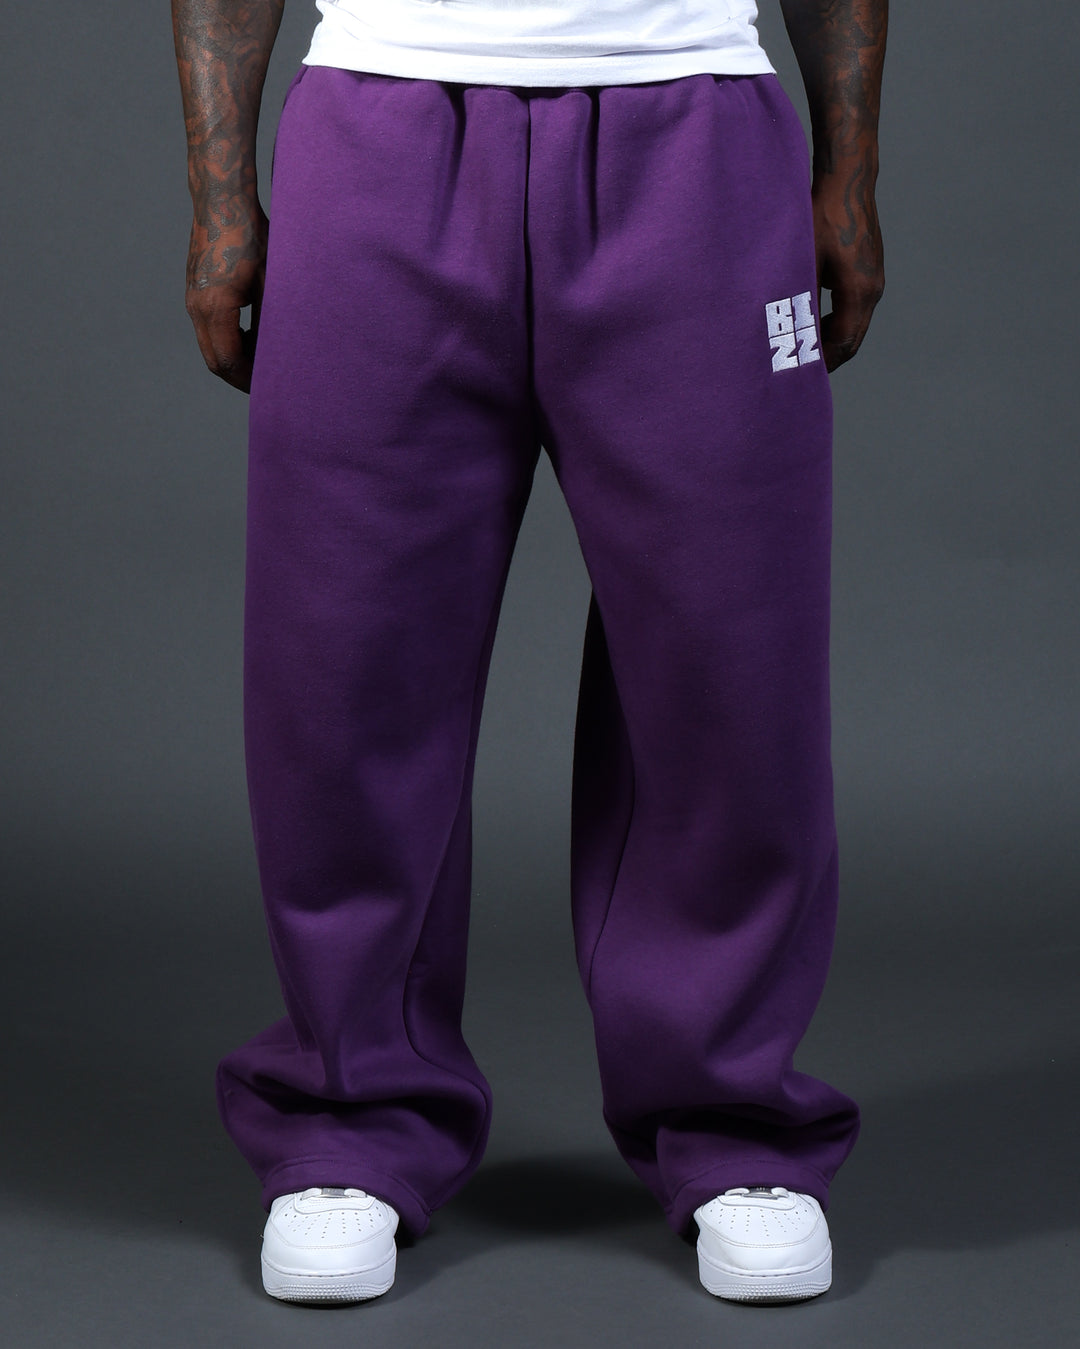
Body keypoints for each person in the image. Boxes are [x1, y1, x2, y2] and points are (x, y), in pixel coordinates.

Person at [171, 0, 885, 1307]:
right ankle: (349, 1115)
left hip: (695, 122)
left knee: (733, 664)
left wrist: (850, 167)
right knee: (345, 662)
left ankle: (734, 1124)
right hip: (381, 123)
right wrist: (222, 197)